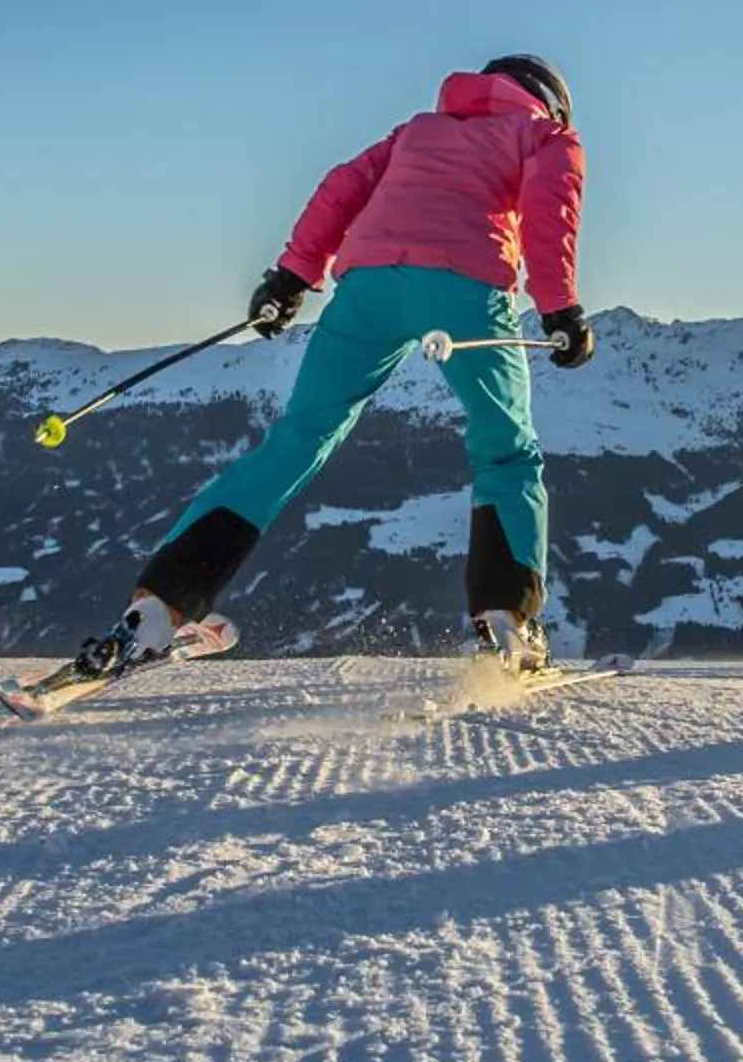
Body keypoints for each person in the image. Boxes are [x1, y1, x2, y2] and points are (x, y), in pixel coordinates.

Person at [73, 54, 595, 680]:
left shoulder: (416, 132)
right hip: (466, 291)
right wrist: (561, 311)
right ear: (551, 101)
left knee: (297, 439)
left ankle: (156, 613)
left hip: (366, 288)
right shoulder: (546, 135)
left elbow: (341, 187)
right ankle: (508, 629)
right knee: (506, 452)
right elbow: (550, 211)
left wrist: (290, 277)